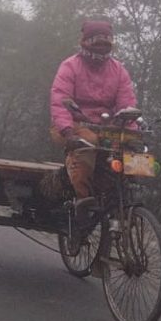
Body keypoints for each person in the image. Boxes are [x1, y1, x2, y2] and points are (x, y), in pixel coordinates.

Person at [49, 20, 137, 201]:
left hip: (105, 127)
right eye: (97, 41)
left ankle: (124, 200)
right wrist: (66, 130)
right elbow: (60, 100)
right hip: (72, 124)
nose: (102, 46)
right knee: (87, 143)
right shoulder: (70, 66)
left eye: (106, 41)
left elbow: (126, 104)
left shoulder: (119, 71)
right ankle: (82, 200)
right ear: (86, 42)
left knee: (133, 156)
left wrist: (132, 133)